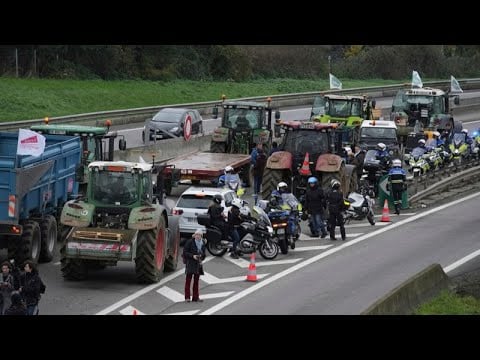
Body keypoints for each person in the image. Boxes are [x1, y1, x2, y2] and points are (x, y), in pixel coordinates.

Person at [183, 229, 206, 302]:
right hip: (190, 263)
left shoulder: (202, 243)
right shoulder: (190, 242)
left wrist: (201, 258)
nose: (197, 236)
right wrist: (193, 256)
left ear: (201, 236)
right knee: (188, 280)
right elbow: (185, 253)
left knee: (196, 281)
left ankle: (196, 297)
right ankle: (187, 297)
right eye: (196, 234)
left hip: (198, 264)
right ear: (194, 235)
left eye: (199, 235)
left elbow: (204, 254)